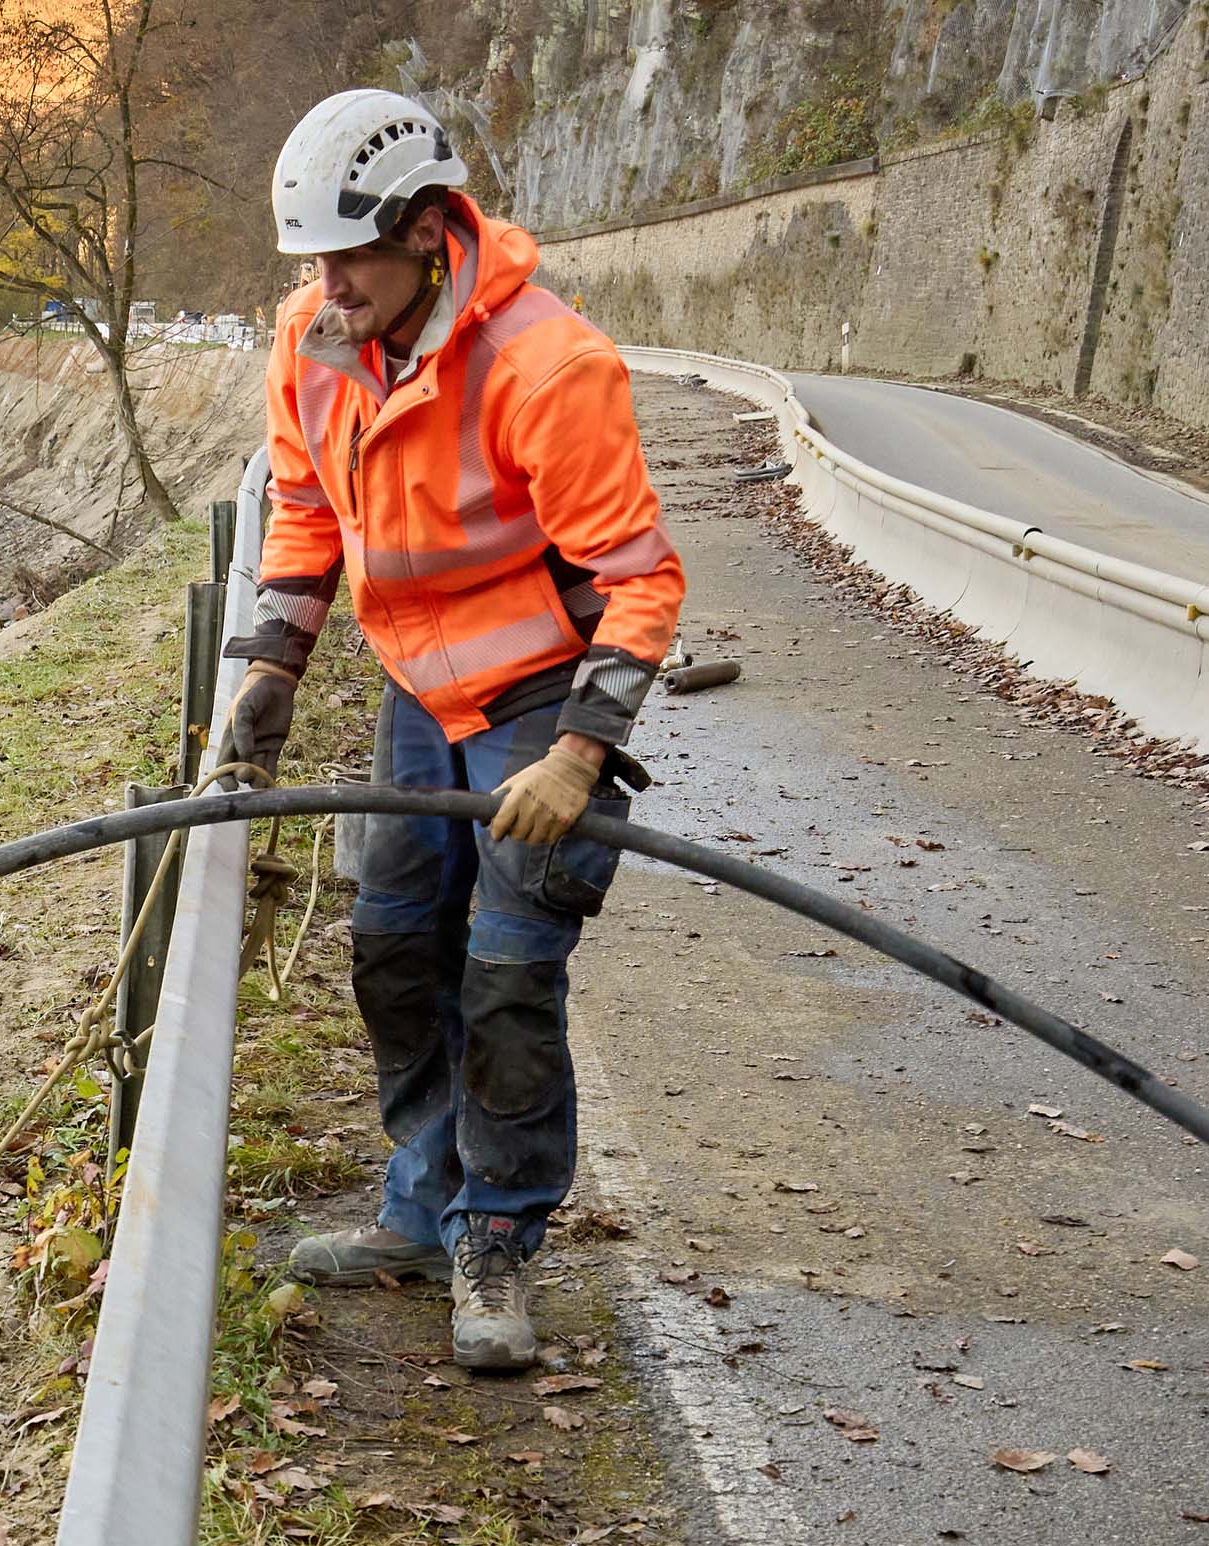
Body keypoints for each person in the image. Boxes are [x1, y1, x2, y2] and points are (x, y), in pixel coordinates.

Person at [218, 88, 687, 1374]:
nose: (329, 283)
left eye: (352, 253)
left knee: (509, 976)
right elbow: (306, 506)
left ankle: (497, 1234)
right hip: (418, 693)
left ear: (429, 230)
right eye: (312, 259)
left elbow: (641, 583)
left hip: (538, 701)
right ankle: (419, 1209)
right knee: (393, 950)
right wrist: (274, 666)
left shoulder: (549, 366)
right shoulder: (315, 340)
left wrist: (576, 755)